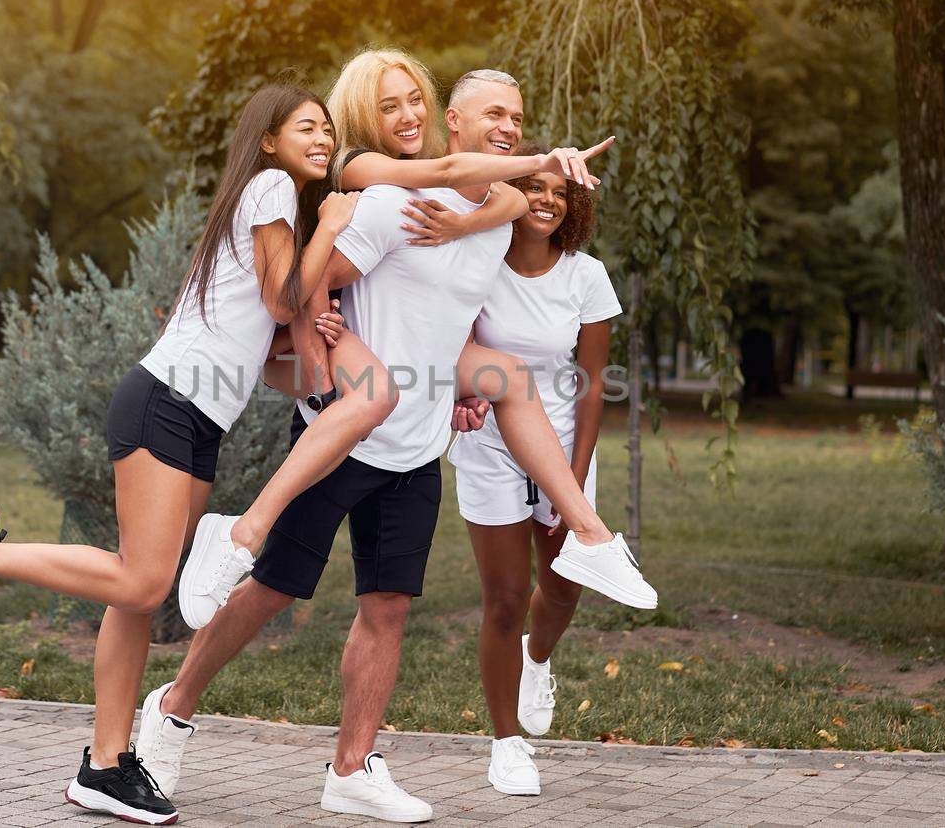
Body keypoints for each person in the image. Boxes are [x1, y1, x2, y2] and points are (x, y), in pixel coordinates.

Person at [137, 67, 656, 824]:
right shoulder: (392, 203)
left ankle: (352, 768)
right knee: (273, 590)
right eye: (493, 117)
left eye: (517, 117)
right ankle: (173, 706)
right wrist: (320, 361)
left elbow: (458, 312)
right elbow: (310, 290)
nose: (509, 128)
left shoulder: (500, 219)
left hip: (415, 449)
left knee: (388, 607)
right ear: (456, 123)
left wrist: (461, 385)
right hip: (341, 433)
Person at [0, 85, 361, 826]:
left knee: (135, 590)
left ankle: (105, 767)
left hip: (194, 415)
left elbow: (264, 326)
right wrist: (332, 222)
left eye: (328, 129)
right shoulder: (271, 187)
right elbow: (281, 298)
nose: (324, 138)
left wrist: (314, 334)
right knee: (143, 584)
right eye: (308, 126)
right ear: (267, 140)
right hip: (165, 403)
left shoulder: (268, 207)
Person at [177, 48, 617, 631]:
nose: (409, 115)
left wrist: (466, 222)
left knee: (505, 378)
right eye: (390, 106)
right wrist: (543, 160)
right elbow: (444, 178)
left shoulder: (420, 182)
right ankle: (240, 533)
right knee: (371, 400)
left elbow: (498, 199)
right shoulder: (358, 165)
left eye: (415, 100)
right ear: (365, 114)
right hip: (301, 332)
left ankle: (588, 529)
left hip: (378, 381)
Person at [448, 143, 620, 796]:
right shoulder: (479, 267)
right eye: (535, 188)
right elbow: (452, 345)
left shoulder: (586, 275)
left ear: (572, 204)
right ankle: (507, 743)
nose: (547, 200)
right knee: (505, 599)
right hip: (490, 446)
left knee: (565, 587)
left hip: (566, 451)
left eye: (560, 192)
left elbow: (595, 384)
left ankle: (537, 659)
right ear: (512, 195)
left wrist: (571, 480)